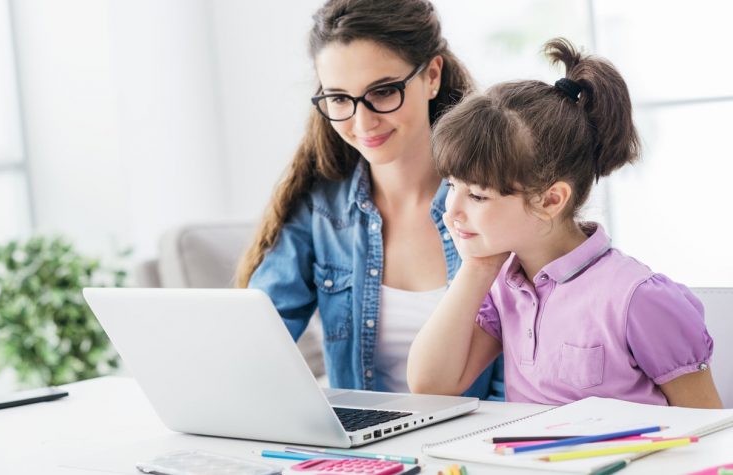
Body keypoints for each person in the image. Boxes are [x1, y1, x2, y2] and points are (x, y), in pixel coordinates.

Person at [407, 38, 722, 408]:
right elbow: (430, 385)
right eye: (450, 185)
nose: (451, 210)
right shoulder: (503, 285)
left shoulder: (638, 298)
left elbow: (708, 429)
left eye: (477, 196)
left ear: (551, 200)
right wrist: (477, 266)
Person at [234, 0, 504, 397]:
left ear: (431, 75)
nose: (363, 123)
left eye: (383, 91)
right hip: (367, 454)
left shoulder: (499, 200)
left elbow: (521, 377)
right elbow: (252, 342)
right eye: (340, 98)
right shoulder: (321, 208)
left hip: (477, 445)